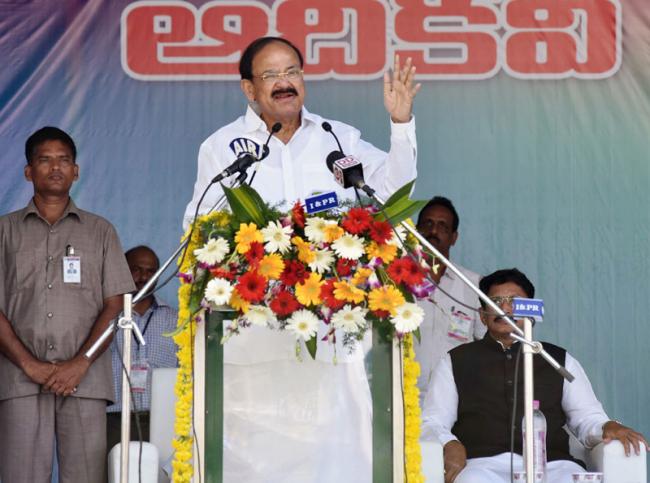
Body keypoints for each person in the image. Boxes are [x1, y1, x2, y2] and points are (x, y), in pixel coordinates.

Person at [183, 36, 420, 482]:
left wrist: (400, 122)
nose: (284, 82)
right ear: (249, 89)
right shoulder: (223, 147)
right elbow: (199, 227)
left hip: (330, 340)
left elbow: (391, 193)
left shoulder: (336, 137)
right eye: (271, 75)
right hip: (252, 343)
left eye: (292, 71)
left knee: (336, 466)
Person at [421, 268, 649, 483]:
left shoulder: (558, 359)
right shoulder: (456, 360)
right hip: (482, 465)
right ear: (482, 315)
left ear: (531, 310)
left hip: (554, 465)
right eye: (496, 301)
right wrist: (449, 443)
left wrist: (607, 426)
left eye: (514, 301)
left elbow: (587, 418)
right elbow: (433, 421)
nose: (505, 308)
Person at [0, 127, 135, 483]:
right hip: (19, 378)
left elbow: (116, 304)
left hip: (85, 380)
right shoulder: (4, 231)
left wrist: (81, 362)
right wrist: (30, 364)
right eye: (45, 160)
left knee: (85, 477)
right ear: (28, 171)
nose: (55, 167)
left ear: (76, 171)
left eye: (63, 160)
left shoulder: (100, 231)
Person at [106, 245, 178, 454]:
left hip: (162, 420)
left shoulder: (174, 319)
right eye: (136, 270)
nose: (143, 277)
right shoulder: (106, 317)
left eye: (150, 271)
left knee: (159, 470)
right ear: (122, 271)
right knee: (113, 470)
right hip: (114, 418)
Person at [414, 196, 485, 402]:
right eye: (428, 223)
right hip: (402, 395)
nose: (434, 231)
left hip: (455, 399)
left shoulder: (473, 284)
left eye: (443, 226)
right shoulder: (395, 279)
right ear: (416, 231)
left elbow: (485, 342)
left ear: (454, 237)